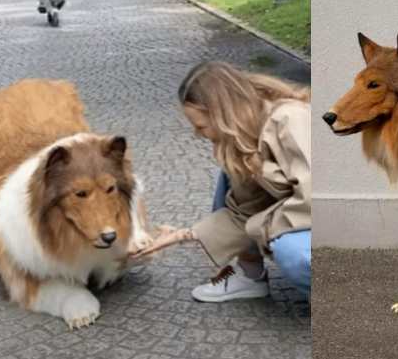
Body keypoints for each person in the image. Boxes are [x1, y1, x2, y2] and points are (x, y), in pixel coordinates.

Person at [133, 62, 311, 302]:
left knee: (293, 252)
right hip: (299, 215)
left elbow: (315, 200)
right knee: (231, 173)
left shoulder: (289, 120)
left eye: (201, 126)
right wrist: (185, 235)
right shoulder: (242, 142)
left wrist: (261, 228)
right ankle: (250, 276)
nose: (198, 134)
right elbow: (244, 211)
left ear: (221, 113)